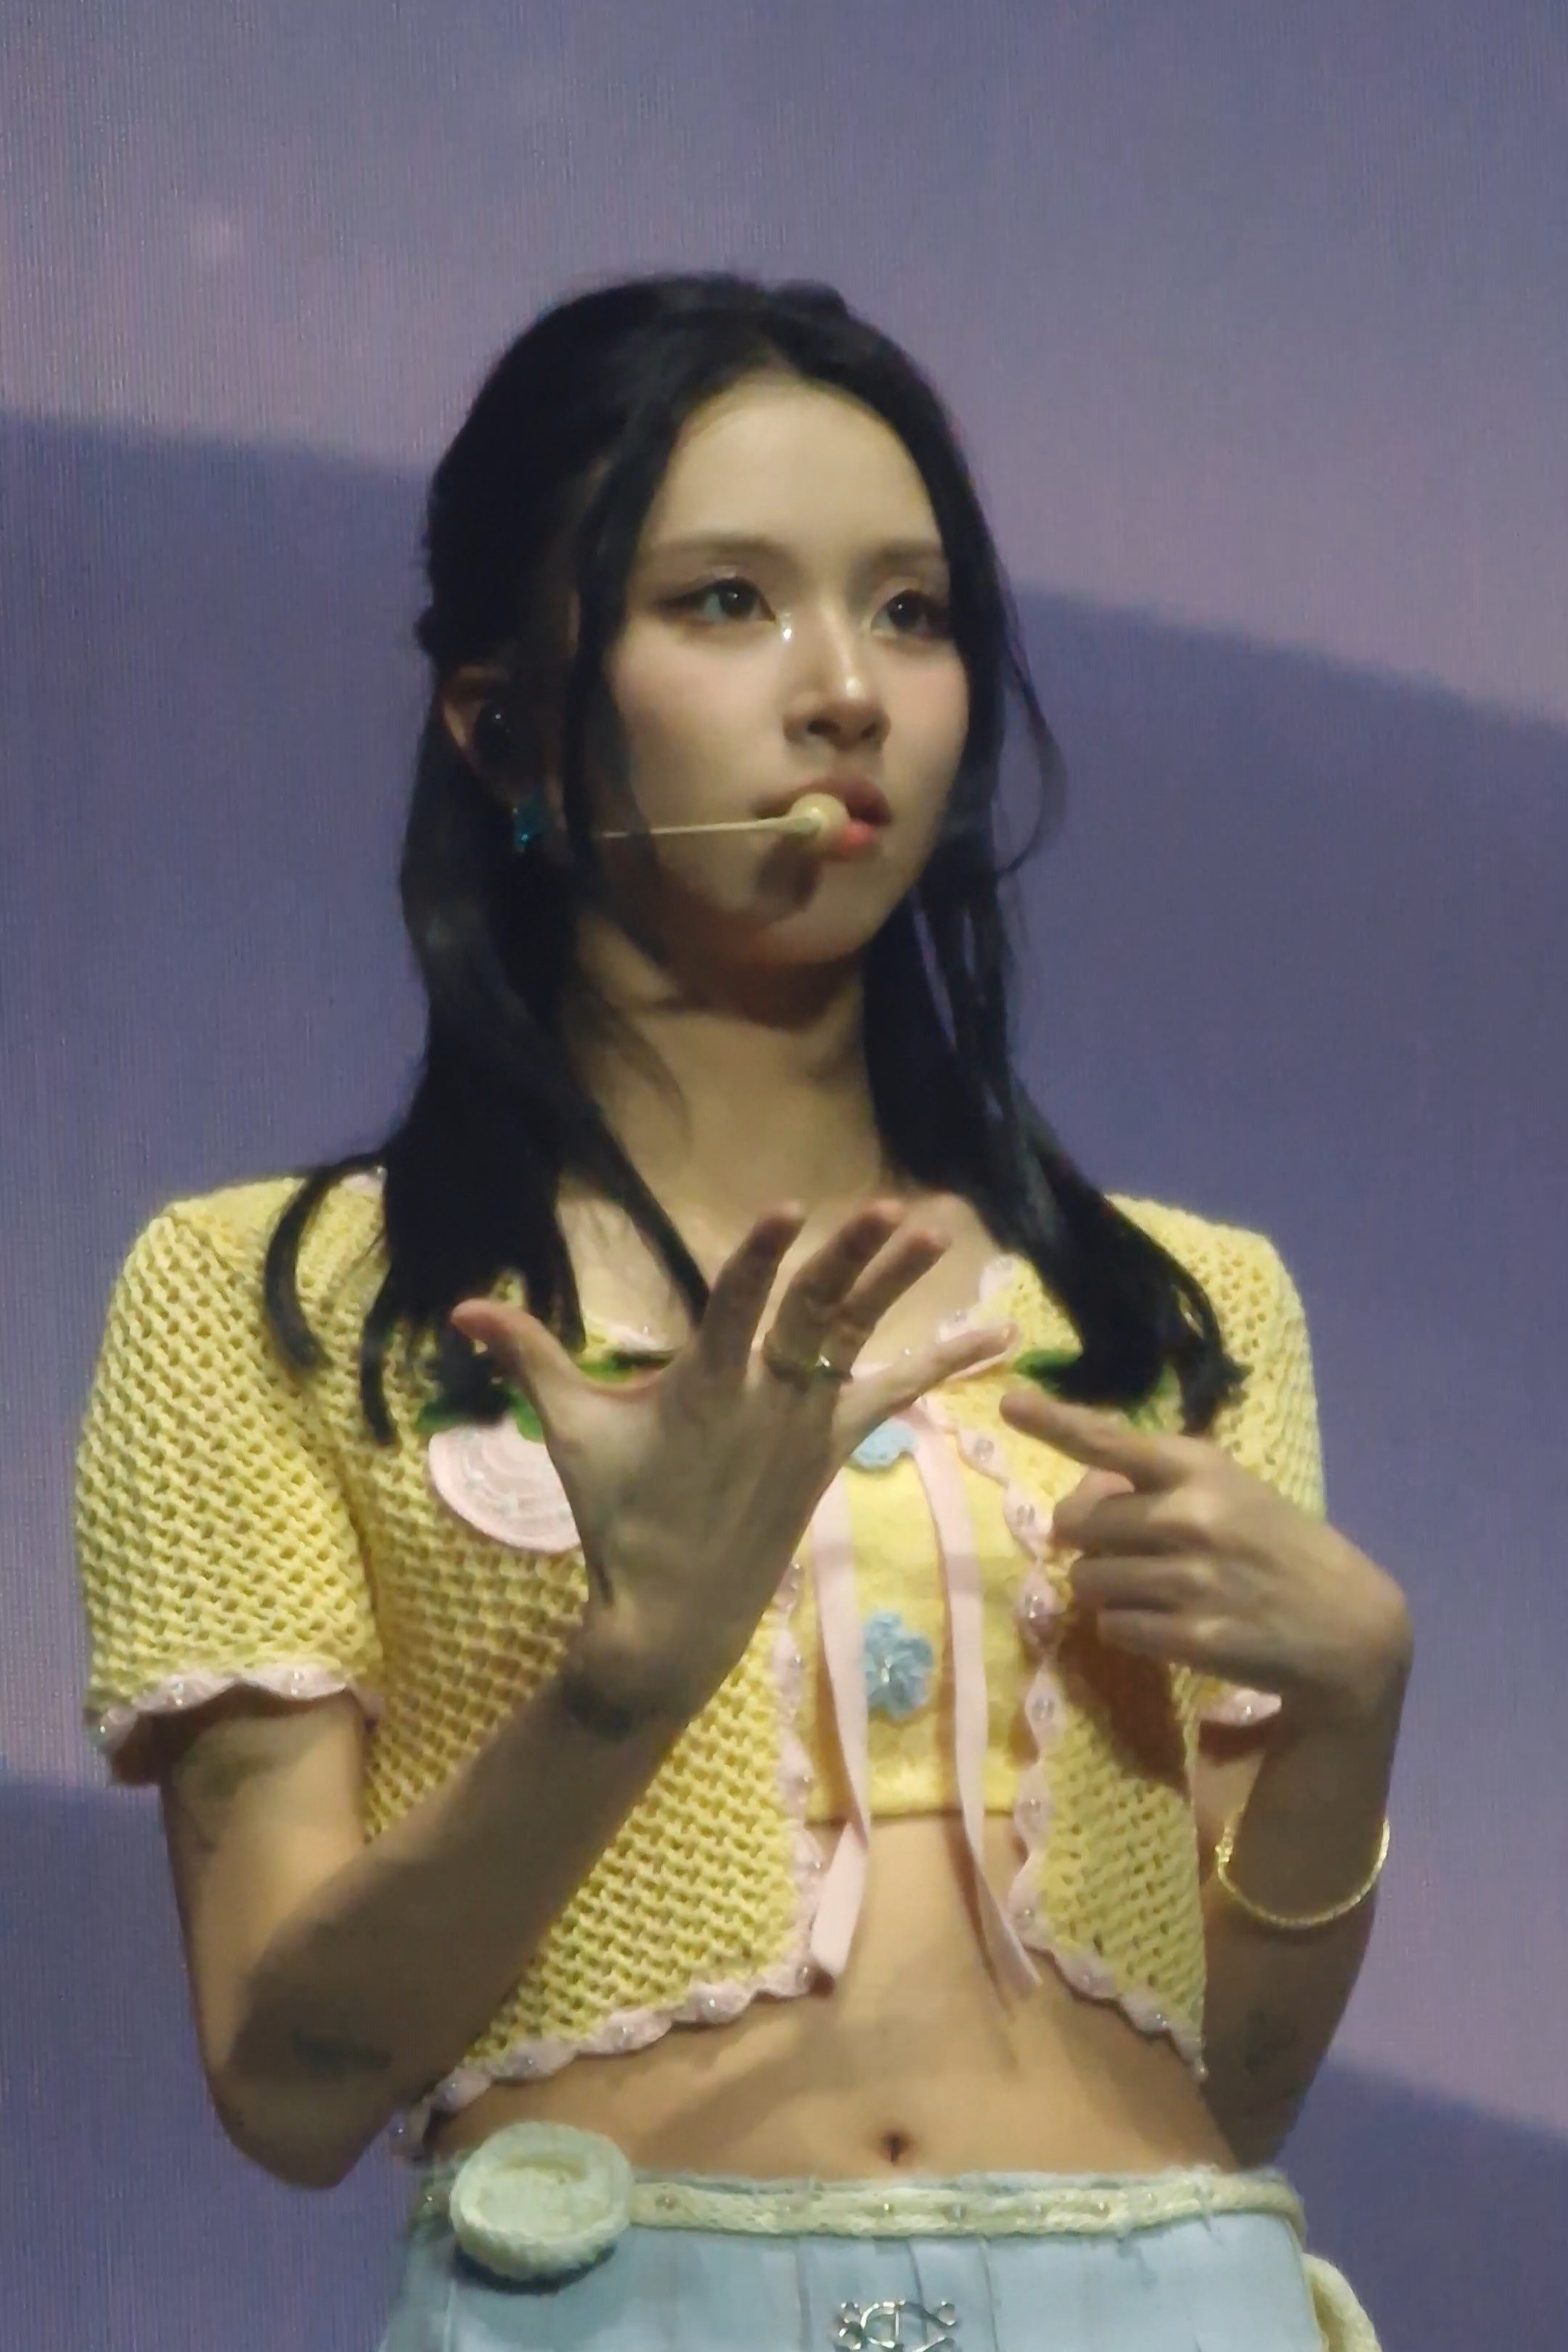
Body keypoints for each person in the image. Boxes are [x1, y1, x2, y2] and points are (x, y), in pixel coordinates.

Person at [73, 272, 1411, 2351]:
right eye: (725, 602)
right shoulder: (285, 1300)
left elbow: (1230, 2094)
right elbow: (292, 2081)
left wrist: (1350, 1719)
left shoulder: (1179, 1308)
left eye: (912, 613)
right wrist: (630, 1673)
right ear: (504, 723)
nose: (847, 693)